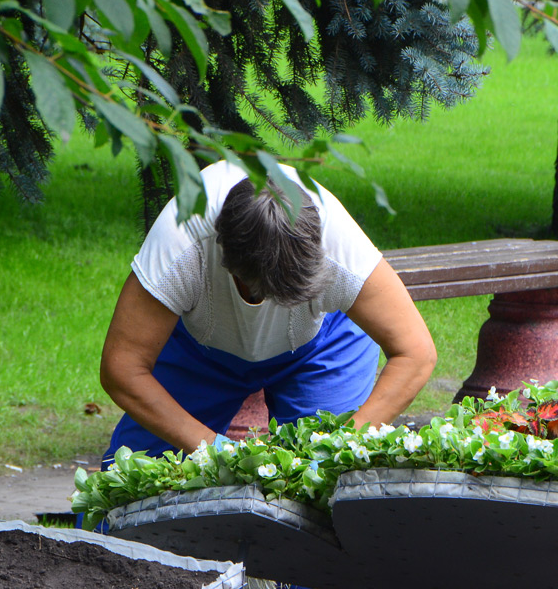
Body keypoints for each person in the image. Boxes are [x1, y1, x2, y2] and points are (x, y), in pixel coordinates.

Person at [100, 160, 437, 464]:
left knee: (326, 488)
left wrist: (341, 447)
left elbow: (416, 353)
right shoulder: (182, 241)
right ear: (228, 263)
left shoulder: (340, 244)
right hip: (199, 350)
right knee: (136, 481)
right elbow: (122, 368)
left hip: (322, 345)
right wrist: (210, 448)